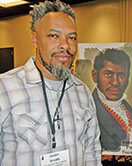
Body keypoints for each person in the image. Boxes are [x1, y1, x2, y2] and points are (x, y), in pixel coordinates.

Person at [0, 1, 101, 165]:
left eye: (72, 38)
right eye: (54, 36)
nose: (65, 45)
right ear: (35, 39)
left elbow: (92, 153)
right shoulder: (4, 90)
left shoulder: (82, 92)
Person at [91, 48, 132, 152]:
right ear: (95, 76)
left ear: (128, 78)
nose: (115, 82)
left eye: (121, 75)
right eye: (108, 74)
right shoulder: (87, 112)